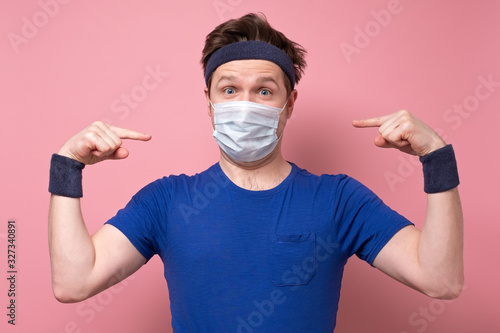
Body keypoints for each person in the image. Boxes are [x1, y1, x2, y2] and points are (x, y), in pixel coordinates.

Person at [48, 13, 463, 332]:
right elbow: (73, 283)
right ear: (209, 102)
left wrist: (437, 158)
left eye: (264, 91)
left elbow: (441, 280)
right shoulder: (165, 201)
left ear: (290, 102)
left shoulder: (339, 200)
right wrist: (69, 166)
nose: (245, 105)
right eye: (229, 90)